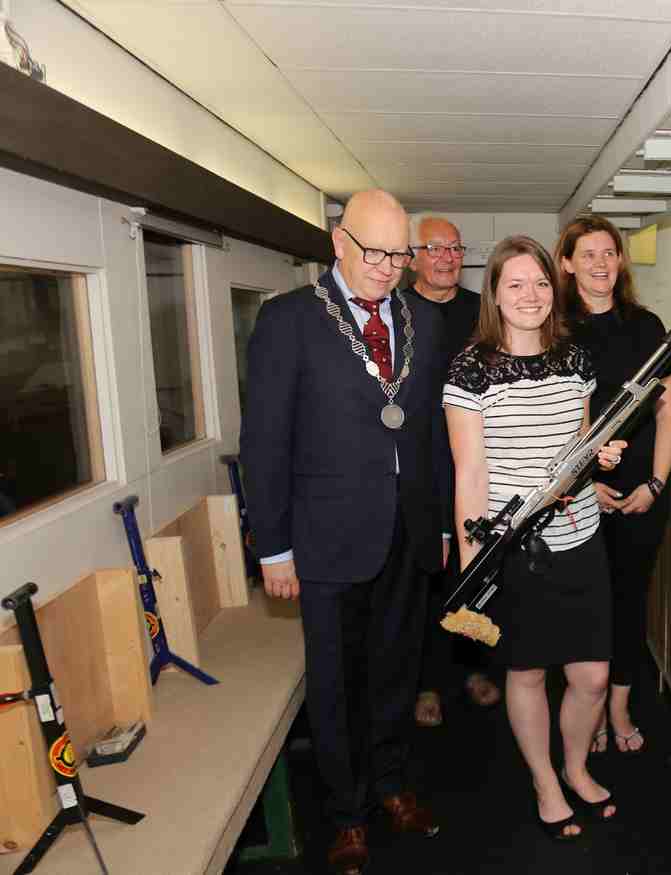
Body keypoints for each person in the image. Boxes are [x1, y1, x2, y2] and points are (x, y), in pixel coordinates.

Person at [240, 190, 445, 875]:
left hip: (407, 532)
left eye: (399, 254)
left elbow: (432, 437)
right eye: (374, 252)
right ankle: (346, 814)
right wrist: (273, 546)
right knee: (334, 684)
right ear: (338, 241)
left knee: (396, 673)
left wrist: (441, 525)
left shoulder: (421, 320)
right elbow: (264, 442)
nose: (388, 267)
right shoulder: (288, 320)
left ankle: (391, 785)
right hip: (325, 539)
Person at [443, 235, 624, 839]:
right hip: (514, 550)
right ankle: (546, 782)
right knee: (526, 675)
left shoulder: (575, 360)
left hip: (581, 540)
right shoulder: (471, 369)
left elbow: (579, 447)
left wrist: (600, 455)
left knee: (591, 676)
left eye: (541, 282)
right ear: (494, 293)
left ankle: (575, 767)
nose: (531, 295)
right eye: (515, 283)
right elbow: (470, 474)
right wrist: (473, 570)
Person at [556, 215, 671, 755]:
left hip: (641, 491)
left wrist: (656, 481)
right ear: (567, 263)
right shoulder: (556, 329)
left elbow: (669, 411)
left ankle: (619, 708)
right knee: (587, 609)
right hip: (580, 492)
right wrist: (582, 485)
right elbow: (556, 419)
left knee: (630, 602)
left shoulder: (648, 326)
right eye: (588, 254)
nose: (601, 263)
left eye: (609, 252)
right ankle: (589, 706)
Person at [407, 215, 500, 727]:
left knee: (476, 571)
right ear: (413, 258)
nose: (447, 257)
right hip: (421, 468)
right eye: (435, 248)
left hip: (478, 463)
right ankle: (426, 681)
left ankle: (473, 669)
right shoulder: (397, 312)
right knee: (426, 579)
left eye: (455, 248)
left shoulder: (482, 314)